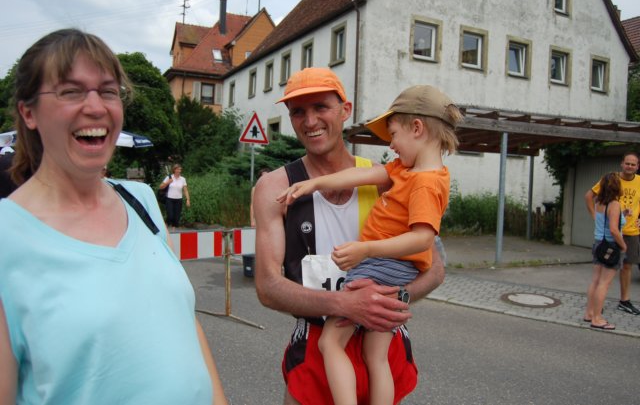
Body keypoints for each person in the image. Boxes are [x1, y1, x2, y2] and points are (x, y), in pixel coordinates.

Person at [0, 29, 227, 404]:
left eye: (108, 91)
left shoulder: (140, 201)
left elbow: (184, 320)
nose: (96, 107)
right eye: (70, 91)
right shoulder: (7, 236)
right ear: (29, 112)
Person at [253, 67, 447, 405]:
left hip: (380, 347)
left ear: (345, 110)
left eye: (321, 107)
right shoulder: (275, 187)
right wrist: (345, 304)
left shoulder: (390, 176)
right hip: (315, 356)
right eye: (298, 111)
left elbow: (435, 268)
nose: (310, 121)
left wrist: (393, 298)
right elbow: (268, 287)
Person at [585, 151, 640, 316]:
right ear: (622, 163)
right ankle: (597, 305)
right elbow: (589, 196)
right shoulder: (611, 179)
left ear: (637, 166)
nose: (629, 166)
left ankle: (624, 301)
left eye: (633, 164)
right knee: (604, 273)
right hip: (612, 233)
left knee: (627, 266)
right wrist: (596, 217)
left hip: (630, 230)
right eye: (627, 163)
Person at [584, 172, 626, 330]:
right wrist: (623, 245)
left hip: (598, 244)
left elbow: (606, 221)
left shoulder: (599, 202)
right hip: (611, 246)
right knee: (604, 283)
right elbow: (614, 230)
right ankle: (597, 318)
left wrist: (624, 215)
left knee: (595, 280)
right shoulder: (614, 204)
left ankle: (589, 313)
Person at [160, 164, 190, 229]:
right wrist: (168, 182)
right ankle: (166, 225)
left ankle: (174, 231)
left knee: (176, 217)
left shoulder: (183, 179)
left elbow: (185, 190)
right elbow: (161, 187)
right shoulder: (169, 177)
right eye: (178, 169)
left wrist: (188, 199)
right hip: (169, 199)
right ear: (174, 170)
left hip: (179, 200)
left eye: (180, 169)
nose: (179, 171)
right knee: (170, 215)